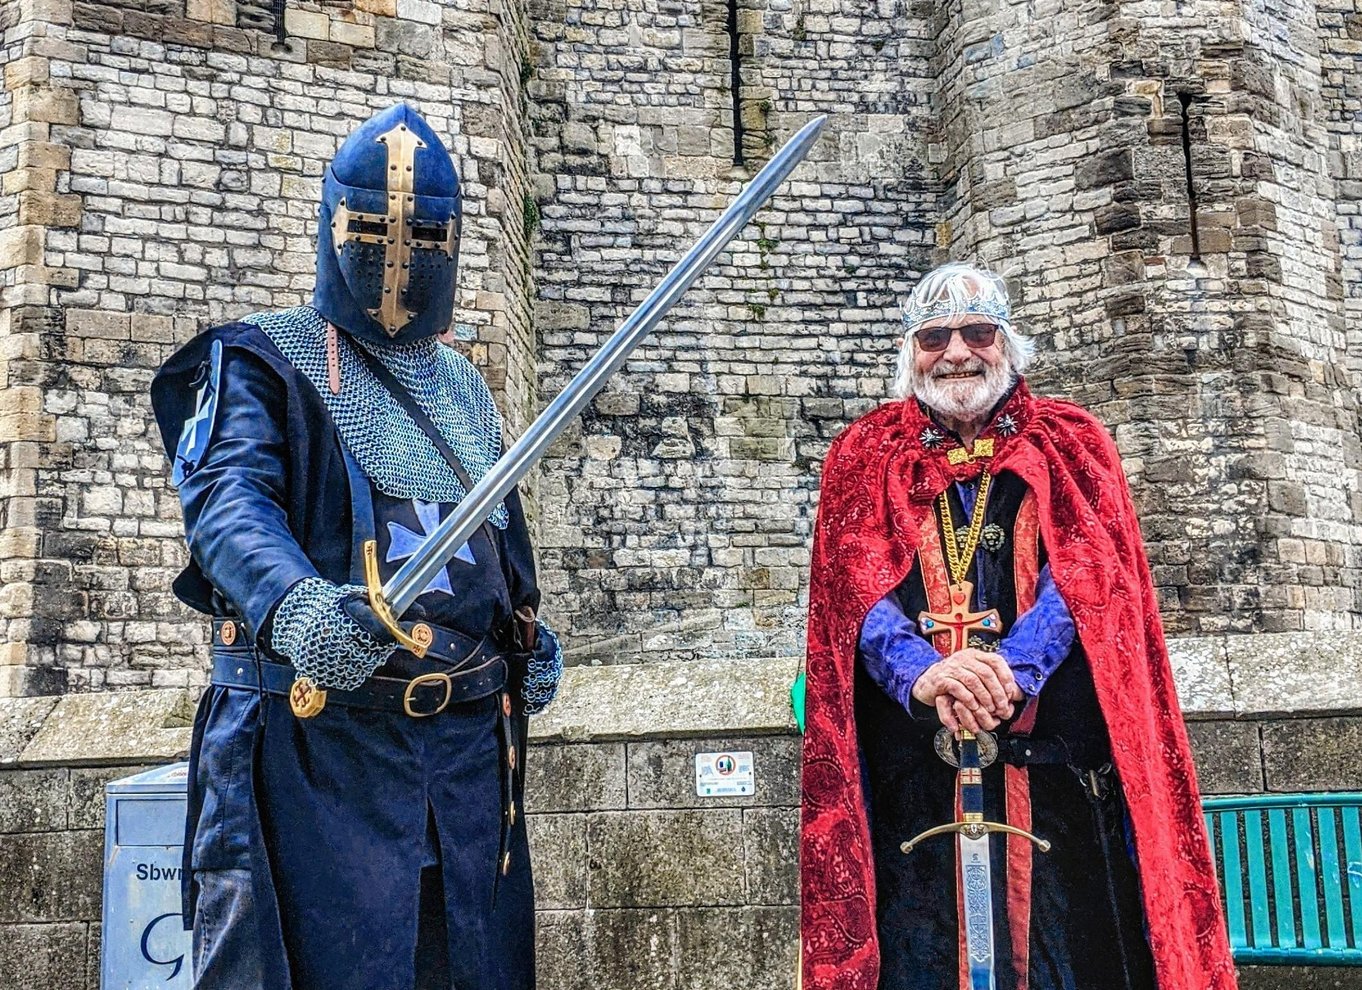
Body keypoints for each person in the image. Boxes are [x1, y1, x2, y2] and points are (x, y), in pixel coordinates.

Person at [150, 104, 562, 990]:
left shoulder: (463, 388)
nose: (399, 255)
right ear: (333, 222)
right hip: (318, 754)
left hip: (462, 767)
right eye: (375, 226)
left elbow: (499, 538)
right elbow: (227, 506)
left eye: (424, 234)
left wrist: (523, 634)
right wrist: (296, 605)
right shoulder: (262, 360)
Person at [798, 262, 1236, 990]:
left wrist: (1011, 668)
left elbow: (1091, 576)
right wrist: (921, 671)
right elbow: (850, 588)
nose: (958, 352)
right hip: (917, 801)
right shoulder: (862, 455)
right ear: (911, 352)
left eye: (978, 332)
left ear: (1008, 343)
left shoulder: (1071, 441)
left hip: (1057, 790)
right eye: (935, 336)